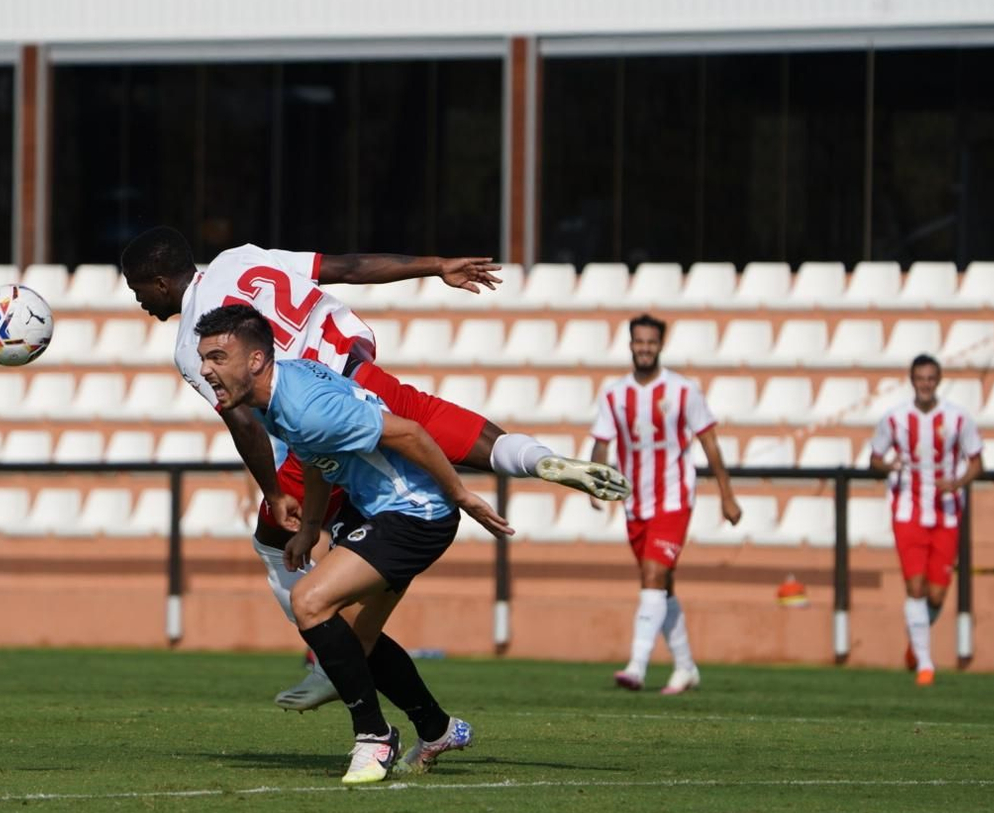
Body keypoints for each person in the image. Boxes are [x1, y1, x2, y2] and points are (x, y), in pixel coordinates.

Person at [120, 227, 628, 710]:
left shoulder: (193, 344)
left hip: (309, 420)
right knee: (447, 431)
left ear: (160, 283)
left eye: (139, 290)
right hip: (361, 380)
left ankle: (329, 656)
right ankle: (538, 458)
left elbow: (245, 424)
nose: (140, 302)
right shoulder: (242, 258)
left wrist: (273, 491)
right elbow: (349, 267)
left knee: (274, 540)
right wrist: (436, 266)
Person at [195, 303, 477, 784]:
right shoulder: (275, 394)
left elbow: (410, 431)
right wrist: (310, 527)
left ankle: (374, 736)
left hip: (415, 512)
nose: (205, 370)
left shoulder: (303, 406)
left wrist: (461, 494)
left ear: (257, 360)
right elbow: (314, 452)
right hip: (380, 508)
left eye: (218, 357)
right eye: (204, 358)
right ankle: (437, 729)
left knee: (309, 601)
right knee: (351, 638)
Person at [589, 313, 739, 695]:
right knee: (662, 585)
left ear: (660, 345)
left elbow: (709, 441)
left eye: (651, 342)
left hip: (674, 499)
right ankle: (686, 668)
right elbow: (601, 444)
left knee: (653, 576)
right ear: (630, 344)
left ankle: (637, 666)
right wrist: (593, 483)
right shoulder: (614, 395)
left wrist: (726, 494)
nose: (644, 348)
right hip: (635, 503)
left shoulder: (684, 390)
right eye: (639, 341)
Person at [868, 353, 983, 686]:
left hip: (947, 513)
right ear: (912, 381)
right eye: (920, 378)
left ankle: (914, 646)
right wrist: (888, 465)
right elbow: (874, 458)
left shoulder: (958, 418)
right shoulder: (894, 418)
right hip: (908, 511)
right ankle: (925, 665)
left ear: (938, 380)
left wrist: (957, 483)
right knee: (915, 586)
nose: (925, 384)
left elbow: (977, 462)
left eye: (931, 378)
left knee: (936, 595)